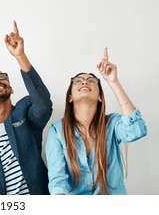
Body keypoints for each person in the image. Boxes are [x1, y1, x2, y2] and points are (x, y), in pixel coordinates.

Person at [45, 48, 147, 195]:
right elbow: (58, 182)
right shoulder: (56, 131)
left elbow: (137, 130)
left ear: (100, 96)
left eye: (92, 80)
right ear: (70, 97)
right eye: (78, 81)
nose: (85, 82)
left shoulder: (112, 123)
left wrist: (113, 82)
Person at [0, 21, 53, 195]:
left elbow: (44, 105)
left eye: (1, 76)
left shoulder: (25, 110)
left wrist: (20, 56)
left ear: (11, 87)